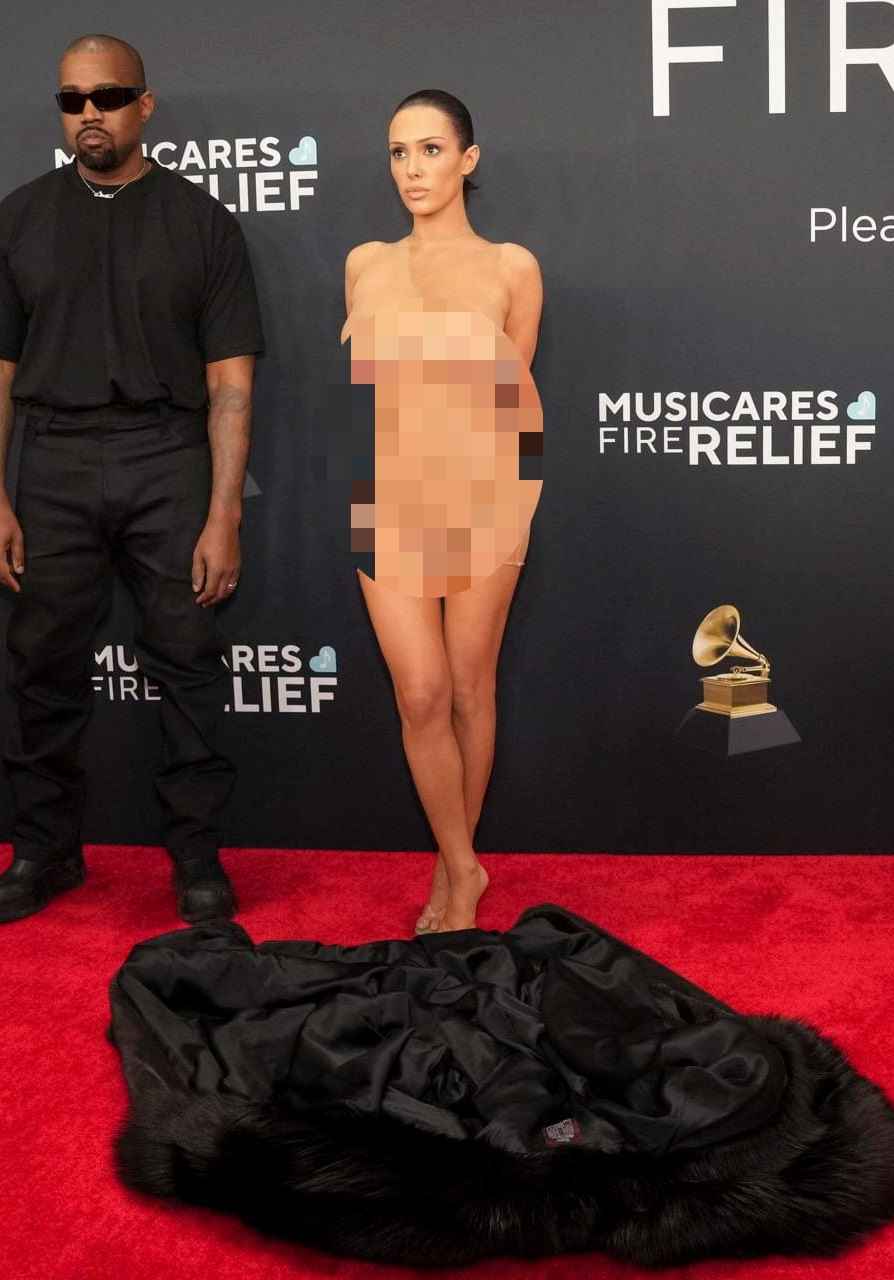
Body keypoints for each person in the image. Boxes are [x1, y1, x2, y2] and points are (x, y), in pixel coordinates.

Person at [0, 34, 263, 925]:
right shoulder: (18, 217)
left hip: (170, 458)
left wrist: (223, 515)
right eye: (72, 99)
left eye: (109, 95)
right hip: (49, 461)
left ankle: (197, 860)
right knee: (42, 666)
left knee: (189, 666)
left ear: (145, 105)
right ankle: (45, 853)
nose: (89, 112)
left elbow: (232, 381)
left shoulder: (203, 222)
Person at [341, 90, 544, 935]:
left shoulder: (511, 267)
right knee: (419, 693)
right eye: (398, 153)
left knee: (467, 687)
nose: (413, 170)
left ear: (468, 158)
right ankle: (466, 866)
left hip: (488, 486)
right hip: (389, 489)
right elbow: (364, 393)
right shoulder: (363, 263)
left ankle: (451, 876)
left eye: (430, 150)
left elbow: (514, 397)